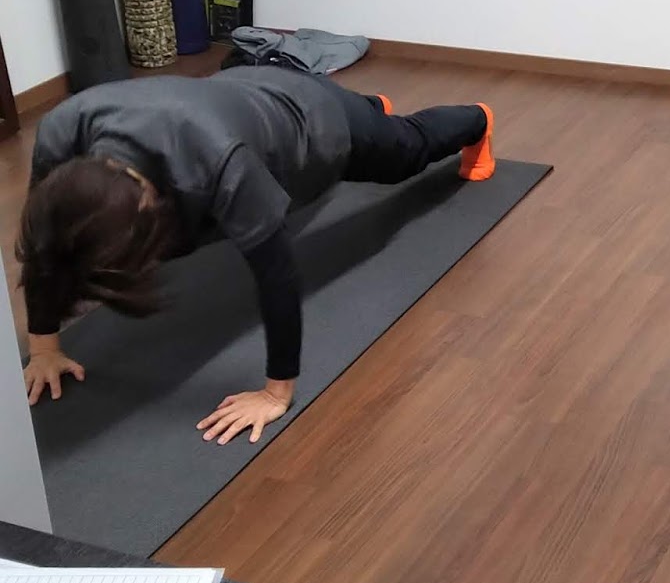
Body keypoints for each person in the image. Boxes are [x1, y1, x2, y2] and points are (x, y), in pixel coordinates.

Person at [17, 66, 496, 445]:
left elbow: (277, 274)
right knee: (366, 124)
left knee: (404, 152)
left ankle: (474, 119)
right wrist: (44, 348)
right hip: (236, 94)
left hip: (310, 119)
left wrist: (274, 393)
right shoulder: (63, 132)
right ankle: (371, 112)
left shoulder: (220, 164)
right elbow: (45, 250)